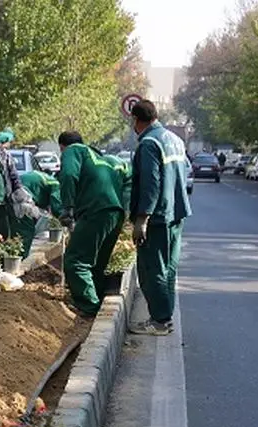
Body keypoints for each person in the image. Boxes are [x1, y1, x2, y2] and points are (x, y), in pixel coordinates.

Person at [129, 99, 192, 335]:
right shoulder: (174, 140)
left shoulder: (149, 143)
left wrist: (142, 219)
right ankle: (164, 317)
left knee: (151, 268)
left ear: (136, 120)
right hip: (175, 213)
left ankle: (160, 321)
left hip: (156, 217)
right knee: (169, 268)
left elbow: (150, 183)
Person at [57, 130, 129, 319]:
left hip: (95, 211)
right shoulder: (102, 158)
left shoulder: (73, 151)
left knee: (76, 261)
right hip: (116, 212)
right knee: (96, 263)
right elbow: (128, 180)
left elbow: (68, 175)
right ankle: (95, 299)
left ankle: (89, 307)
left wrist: (67, 207)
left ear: (62, 147)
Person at [16, 168, 62, 259]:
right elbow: (56, 207)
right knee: (27, 230)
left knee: (14, 229)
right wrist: (65, 220)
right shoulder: (55, 184)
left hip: (14, 193)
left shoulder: (45, 178)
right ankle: (22, 260)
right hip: (22, 197)